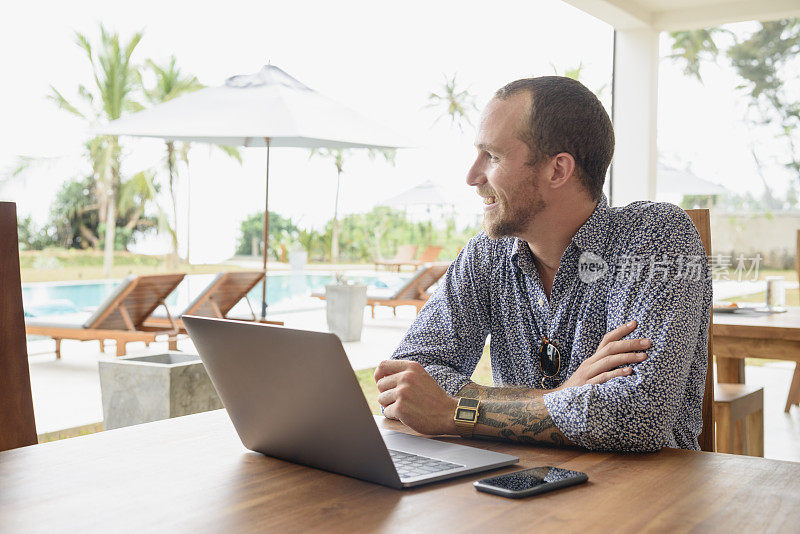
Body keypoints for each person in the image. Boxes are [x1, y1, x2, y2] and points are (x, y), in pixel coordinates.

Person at [373, 76, 712, 452]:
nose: (471, 176)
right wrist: (565, 395)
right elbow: (404, 385)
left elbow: (635, 417)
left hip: (639, 494)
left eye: (493, 156)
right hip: (514, 485)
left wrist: (459, 412)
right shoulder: (486, 254)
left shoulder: (656, 237)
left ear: (557, 170)